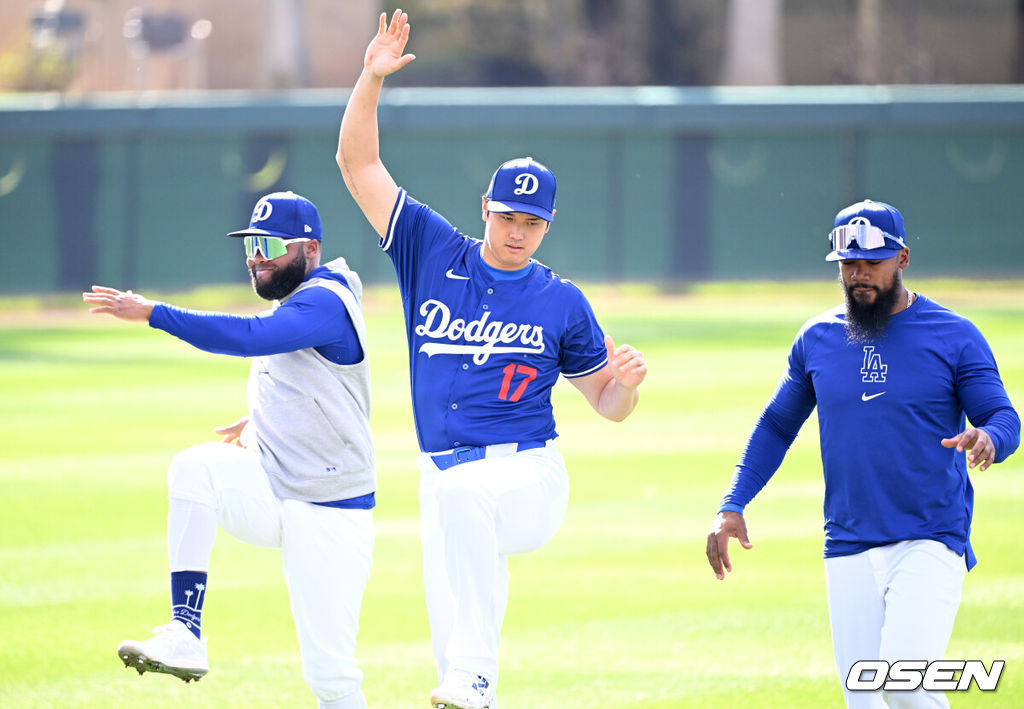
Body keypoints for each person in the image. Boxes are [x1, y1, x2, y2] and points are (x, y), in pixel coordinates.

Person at [336, 10, 647, 709]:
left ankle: (475, 671)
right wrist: (370, 78)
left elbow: (606, 403)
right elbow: (358, 165)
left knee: (465, 522)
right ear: (485, 207)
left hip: (526, 476)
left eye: (533, 222)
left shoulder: (560, 300)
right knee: (451, 650)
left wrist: (625, 387)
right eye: (508, 215)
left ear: (549, 226)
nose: (518, 231)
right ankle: (474, 682)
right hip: (439, 480)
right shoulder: (430, 250)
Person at [705, 198, 1020, 708]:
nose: (859, 275)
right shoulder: (818, 338)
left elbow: (1005, 418)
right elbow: (777, 425)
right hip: (847, 541)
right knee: (864, 699)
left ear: (903, 258)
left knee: (903, 683)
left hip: (930, 537)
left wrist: (989, 438)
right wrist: (732, 504)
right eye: (849, 265)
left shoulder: (955, 335)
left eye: (872, 262)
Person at [83, 191, 376, 709]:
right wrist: (265, 422)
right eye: (250, 245)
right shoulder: (301, 295)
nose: (256, 256)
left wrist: (153, 312)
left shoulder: (327, 299)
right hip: (277, 486)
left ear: (309, 248)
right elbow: (306, 377)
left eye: (268, 244)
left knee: (330, 678)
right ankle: (186, 631)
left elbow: (251, 337)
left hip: (331, 513)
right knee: (196, 469)